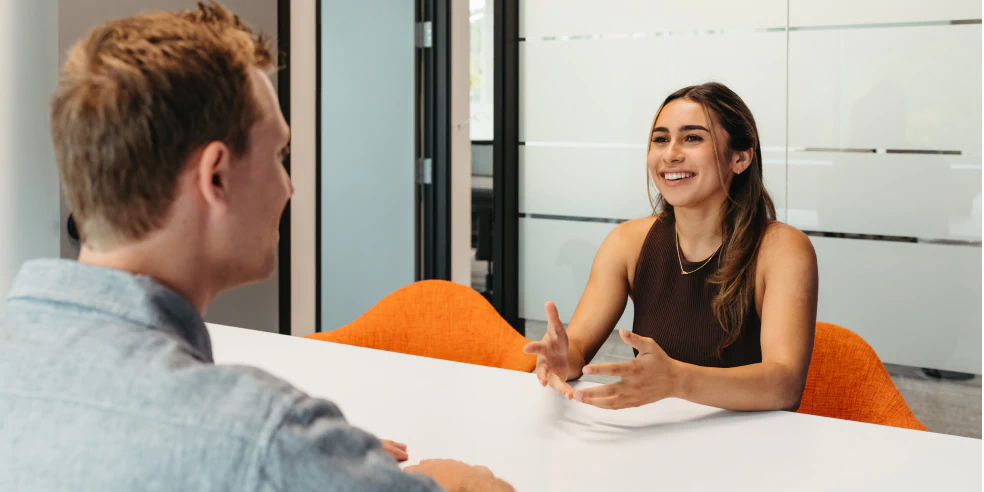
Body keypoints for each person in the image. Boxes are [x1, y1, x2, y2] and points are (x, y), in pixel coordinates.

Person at [0, 4, 511, 491]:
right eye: (279, 155)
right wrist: (464, 484)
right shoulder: (263, 439)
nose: (289, 186)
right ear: (216, 176)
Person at [524, 82, 819, 412]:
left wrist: (677, 380)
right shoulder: (627, 243)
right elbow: (576, 348)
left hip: (752, 446)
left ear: (740, 157)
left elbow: (785, 385)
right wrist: (562, 359)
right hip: (658, 436)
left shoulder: (782, 249)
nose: (670, 154)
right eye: (661, 139)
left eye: (692, 138)